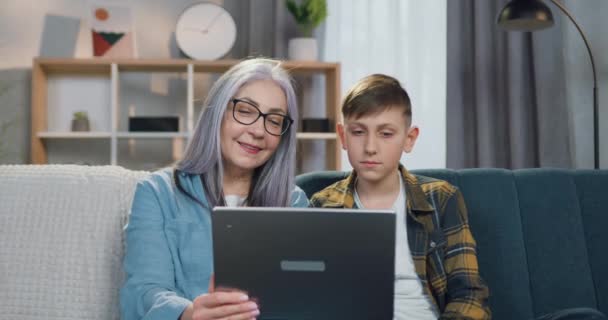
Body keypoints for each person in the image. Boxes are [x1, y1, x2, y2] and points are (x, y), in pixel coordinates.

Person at [120, 58, 308, 320]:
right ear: (217, 112)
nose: (257, 130)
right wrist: (190, 314)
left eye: (274, 121)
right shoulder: (157, 193)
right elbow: (142, 294)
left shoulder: (295, 203)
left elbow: (305, 298)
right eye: (245, 110)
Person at [309, 74, 491, 319]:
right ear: (343, 136)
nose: (370, 147)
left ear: (409, 139)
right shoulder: (322, 205)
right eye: (359, 132)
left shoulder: (441, 198)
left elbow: (469, 294)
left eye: (386, 134)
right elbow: (316, 296)